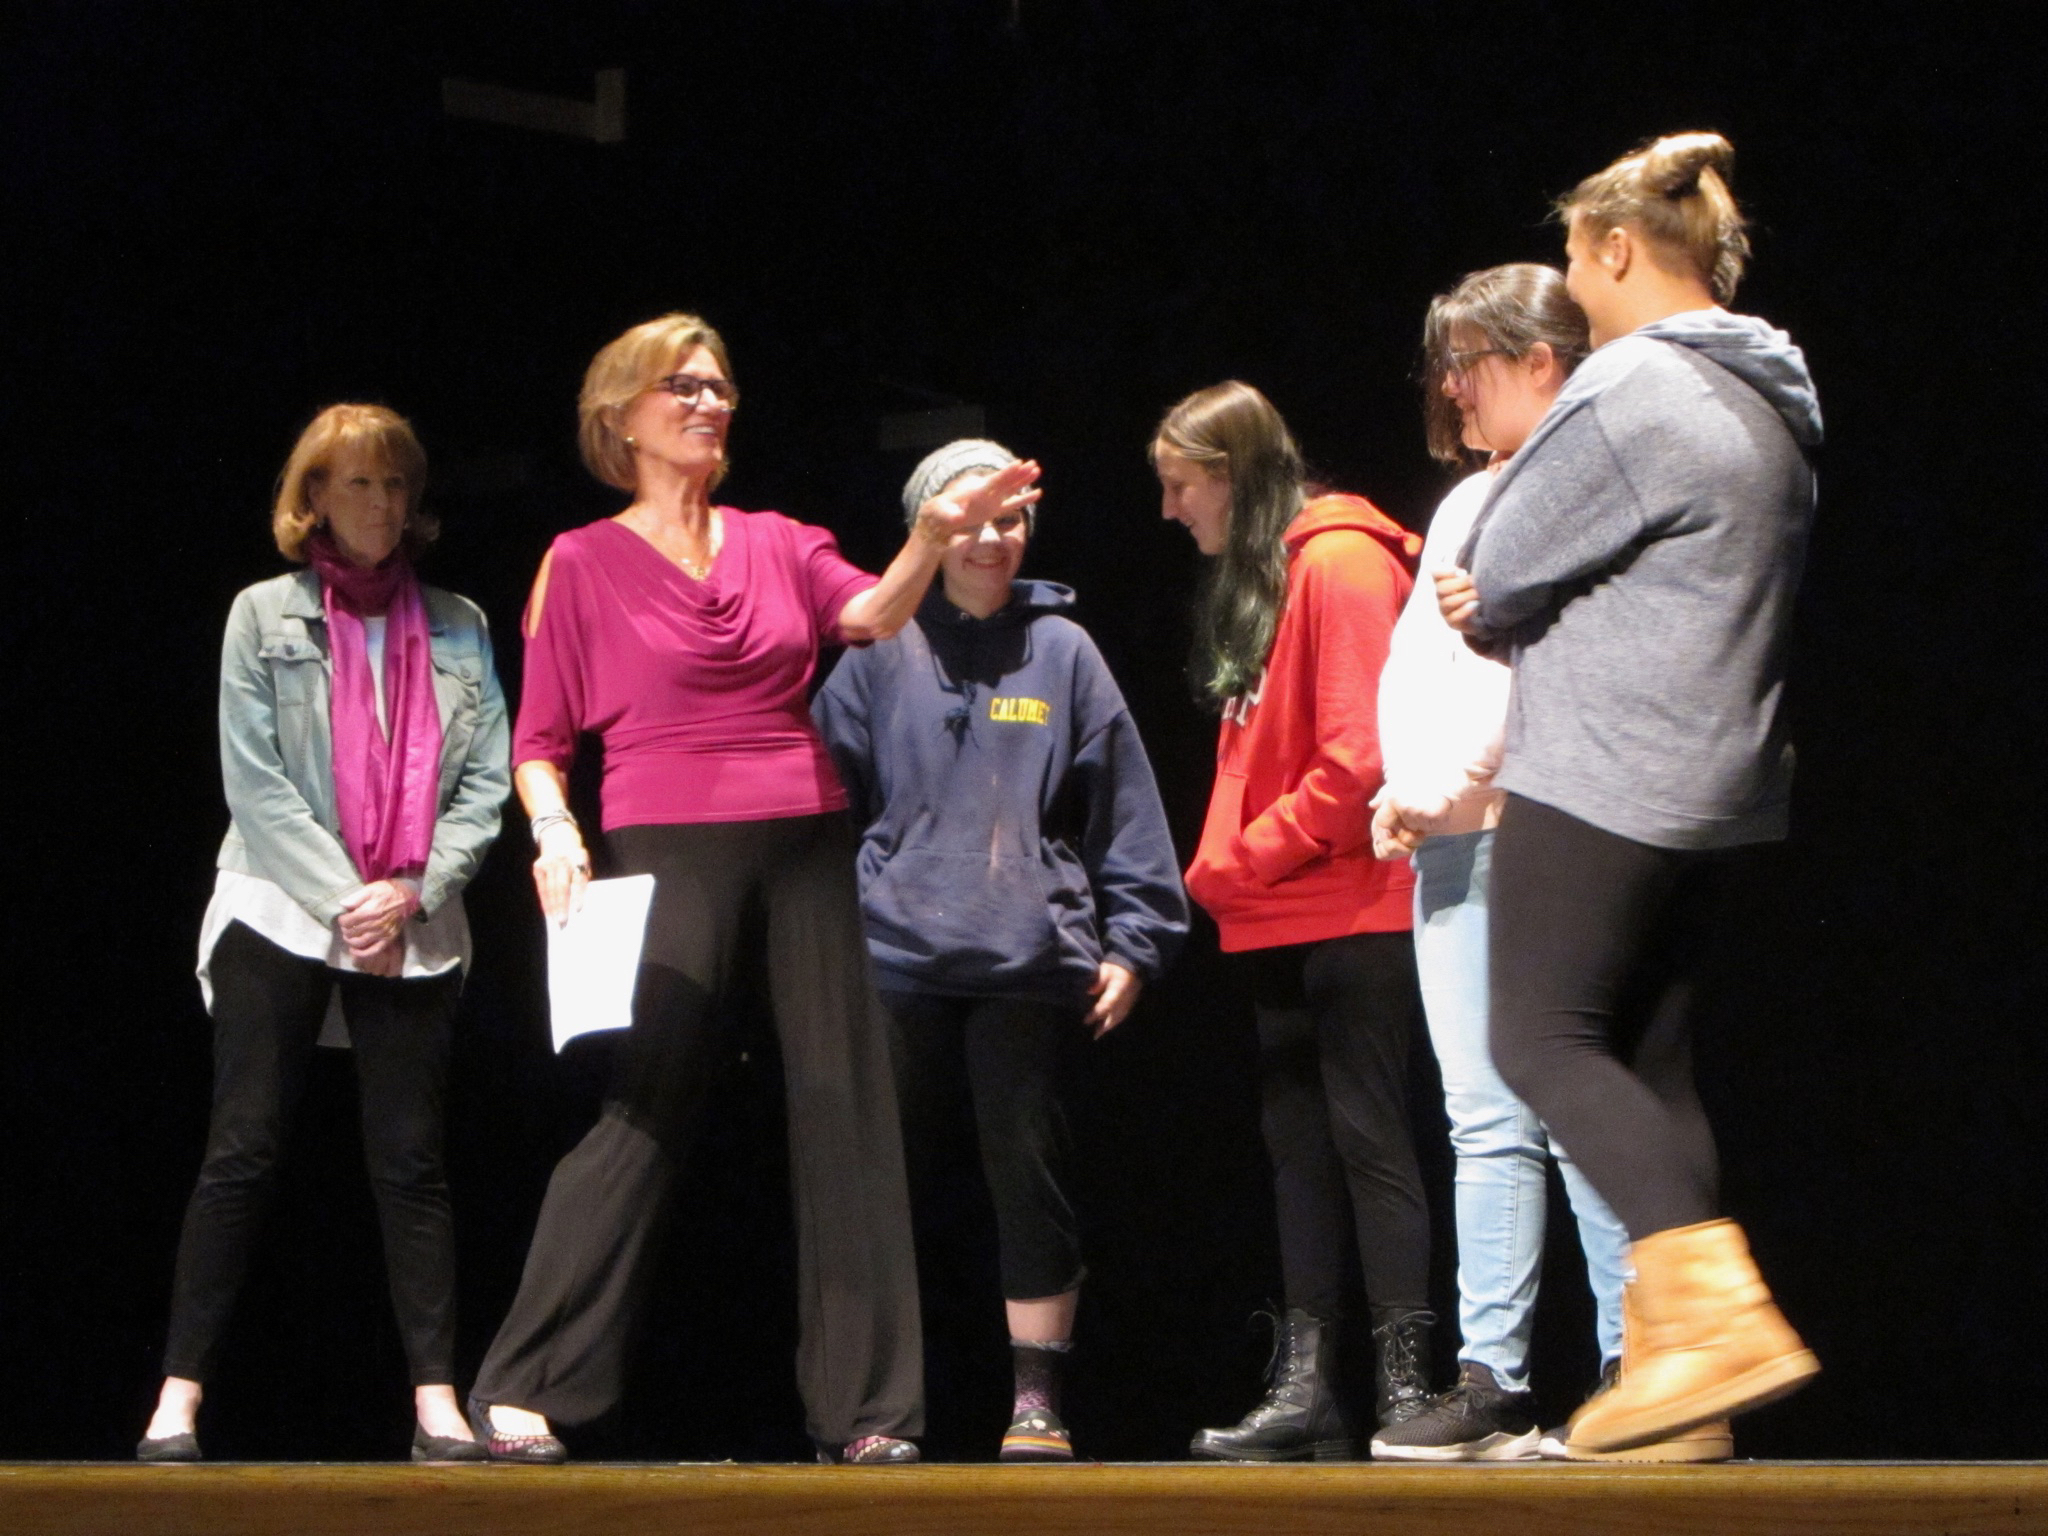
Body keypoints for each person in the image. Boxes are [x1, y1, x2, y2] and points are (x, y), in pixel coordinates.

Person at [467, 315, 1041, 1466]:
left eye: (718, 385)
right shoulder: (579, 560)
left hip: (802, 833)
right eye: (680, 386)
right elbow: (539, 739)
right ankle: (524, 1383)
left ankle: (869, 1413)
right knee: (646, 1103)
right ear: (620, 415)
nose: (707, 402)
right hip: (663, 837)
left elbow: (869, 616)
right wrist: (555, 830)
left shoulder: (779, 540)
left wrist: (929, 536)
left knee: (846, 1103)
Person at [1434, 133, 1822, 1455]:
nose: (1568, 288)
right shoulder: (1768, 394)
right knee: (1648, 1063)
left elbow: (1500, 556)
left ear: (1614, 249)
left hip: (1610, 764)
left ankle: (1713, 1329)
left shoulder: (1635, 383)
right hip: (1719, 777)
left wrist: (1495, 597)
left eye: (1571, 259)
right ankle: (1678, 1383)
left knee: (1537, 1039)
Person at [1367, 263, 1705, 1463]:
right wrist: (1400, 791)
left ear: (1537, 361)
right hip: (1447, 836)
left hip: (1533, 825)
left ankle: (1637, 1366)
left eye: (1466, 364)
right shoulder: (1470, 498)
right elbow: (1423, 663)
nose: (1450, 390)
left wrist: (1443, 783)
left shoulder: (1570, 487)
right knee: (1480, 1118)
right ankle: (1491, 1378)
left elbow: (1530, 671)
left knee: (1566, 1103)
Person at [140, 404, 509, 1463]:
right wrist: (351, 895)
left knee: (411, 1160)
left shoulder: (461, 622)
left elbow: (485, 785)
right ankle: (177, 1398)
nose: (381, 504)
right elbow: (254, 781)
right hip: (279, 904)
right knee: (243, 1148)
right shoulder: (263, 614)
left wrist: (411, 891)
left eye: (395, 484)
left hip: (413, 914)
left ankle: (436, 1401)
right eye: (358, 484)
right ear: (313, 498)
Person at [812, 439, 1189, 1462]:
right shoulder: (876, 646)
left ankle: (1035, 1403)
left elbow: (1126, 806)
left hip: (1026, 961)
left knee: (1030, 1180)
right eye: (969, 520)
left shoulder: (1063, 649)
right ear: (925, 528)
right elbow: (815, 801)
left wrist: (1136, 943)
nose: (990, 540)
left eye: (1009, 519)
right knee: (880, 1186)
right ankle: (873, 1407)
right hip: (893, 958)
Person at [1159, 382, 1434, 1463]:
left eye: (1181, 485)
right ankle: (1308, 1389)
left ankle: (1406, 1390)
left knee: (1371, 1140)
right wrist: (1239, 873)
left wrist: (1240, 857)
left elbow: (1359, 758)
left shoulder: (1341, 560)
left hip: (1352, 901)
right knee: (1296, 1155)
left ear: (1230, 474)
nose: (1171, 509)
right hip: (1272, 913)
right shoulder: (1268, 576)